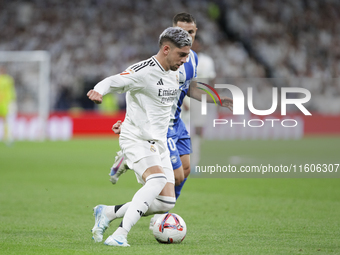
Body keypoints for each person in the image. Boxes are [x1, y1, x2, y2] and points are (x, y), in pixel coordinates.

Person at [87, 27, 192, 247]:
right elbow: (113, 80)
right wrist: (98, 90)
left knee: (165, 202)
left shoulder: (177, 73)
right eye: (181, 54)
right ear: (166, 49)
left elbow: (158, 107)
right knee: (156, 180)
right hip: (136, 139)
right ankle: (120, 235)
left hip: (159, 142)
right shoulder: (143, 71)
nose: (185, 59)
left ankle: (106, 212)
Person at [0, 66, 16, 145]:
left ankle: (6, 137)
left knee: (6, 120)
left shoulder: (6, 79)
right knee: (8, 120)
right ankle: (8, 137)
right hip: (8, 102)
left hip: (5, 102)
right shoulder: (9, 79)